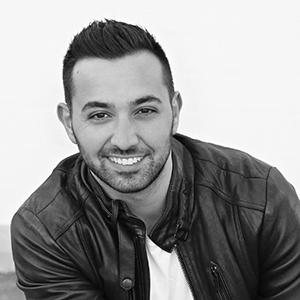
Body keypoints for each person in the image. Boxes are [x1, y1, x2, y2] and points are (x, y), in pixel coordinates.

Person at [11, 19, 300, 300]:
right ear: (68, 122)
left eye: (145, 111)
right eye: (100, 115)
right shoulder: (46, 229)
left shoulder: (261, 199)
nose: (124, 140)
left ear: (174, 111)